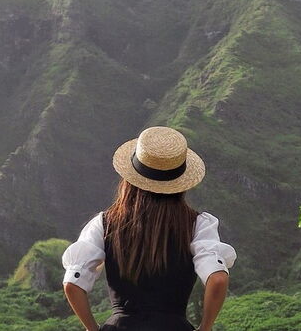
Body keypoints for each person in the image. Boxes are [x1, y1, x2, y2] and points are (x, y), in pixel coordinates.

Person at [62, 126, 236, 331]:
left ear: (130, 178)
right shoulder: (198, 225)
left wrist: (93, 329)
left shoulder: (104, 223)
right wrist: (205, 328)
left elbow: (72, 284)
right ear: (180, 183)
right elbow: (217, 279)